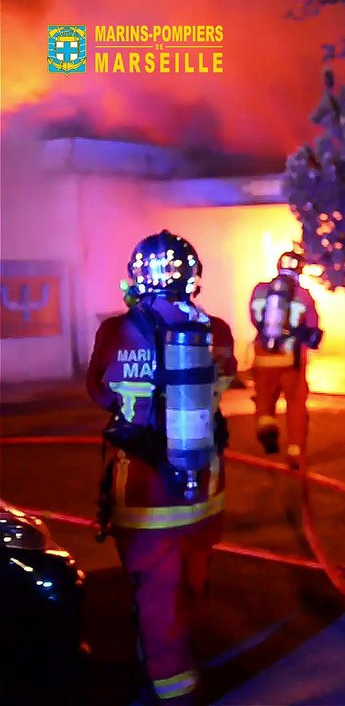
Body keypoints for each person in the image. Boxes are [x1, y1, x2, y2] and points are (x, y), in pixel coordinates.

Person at [86, 230, 236, 706]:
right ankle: (177, 662)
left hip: (144, 492)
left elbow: (98, 392)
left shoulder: (114, 331)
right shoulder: (216, 330)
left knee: (155, 594)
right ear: (193, 276)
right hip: (204, 485)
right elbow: (225, 382)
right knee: (192, 581)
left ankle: (170, 688)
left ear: (136, 276)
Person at [248, 251, 322, 468]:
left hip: (264, 357)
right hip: (292, 361)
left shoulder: (260, 290)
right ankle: (295, 451)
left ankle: (266, 426)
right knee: (296, 405)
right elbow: (312, 327)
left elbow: (254, 319)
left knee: (264, 399)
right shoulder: (304, 295)